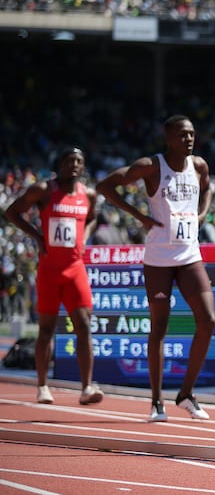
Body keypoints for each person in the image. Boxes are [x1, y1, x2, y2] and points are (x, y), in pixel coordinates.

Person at [96, 114, 215, 422]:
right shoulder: (151, 166)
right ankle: (156, 402)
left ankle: (185, 393)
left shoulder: (199, 166)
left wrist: (201, 215)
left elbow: (208, 189)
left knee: (208, 320)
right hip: (159, 259)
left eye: (192, 134)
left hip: (189, 255)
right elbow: (105, 186)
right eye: (182, 135)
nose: (189, 139)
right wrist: (140, 217)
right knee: (159, 327)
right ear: (168, 138)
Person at [3, 147, 104, 405]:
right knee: (46, 329)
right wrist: (37, 236)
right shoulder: (44, 190)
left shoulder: (87, 195)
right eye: (69, 160)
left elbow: (92, 218)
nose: (74, 165)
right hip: (49, 270)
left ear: (83, 167)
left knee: (83, 325)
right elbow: (11, 212)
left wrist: (84, 235)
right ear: (59, 164)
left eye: (79, 161)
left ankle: (87, 388)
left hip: (75, 269)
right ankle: (42, 386)